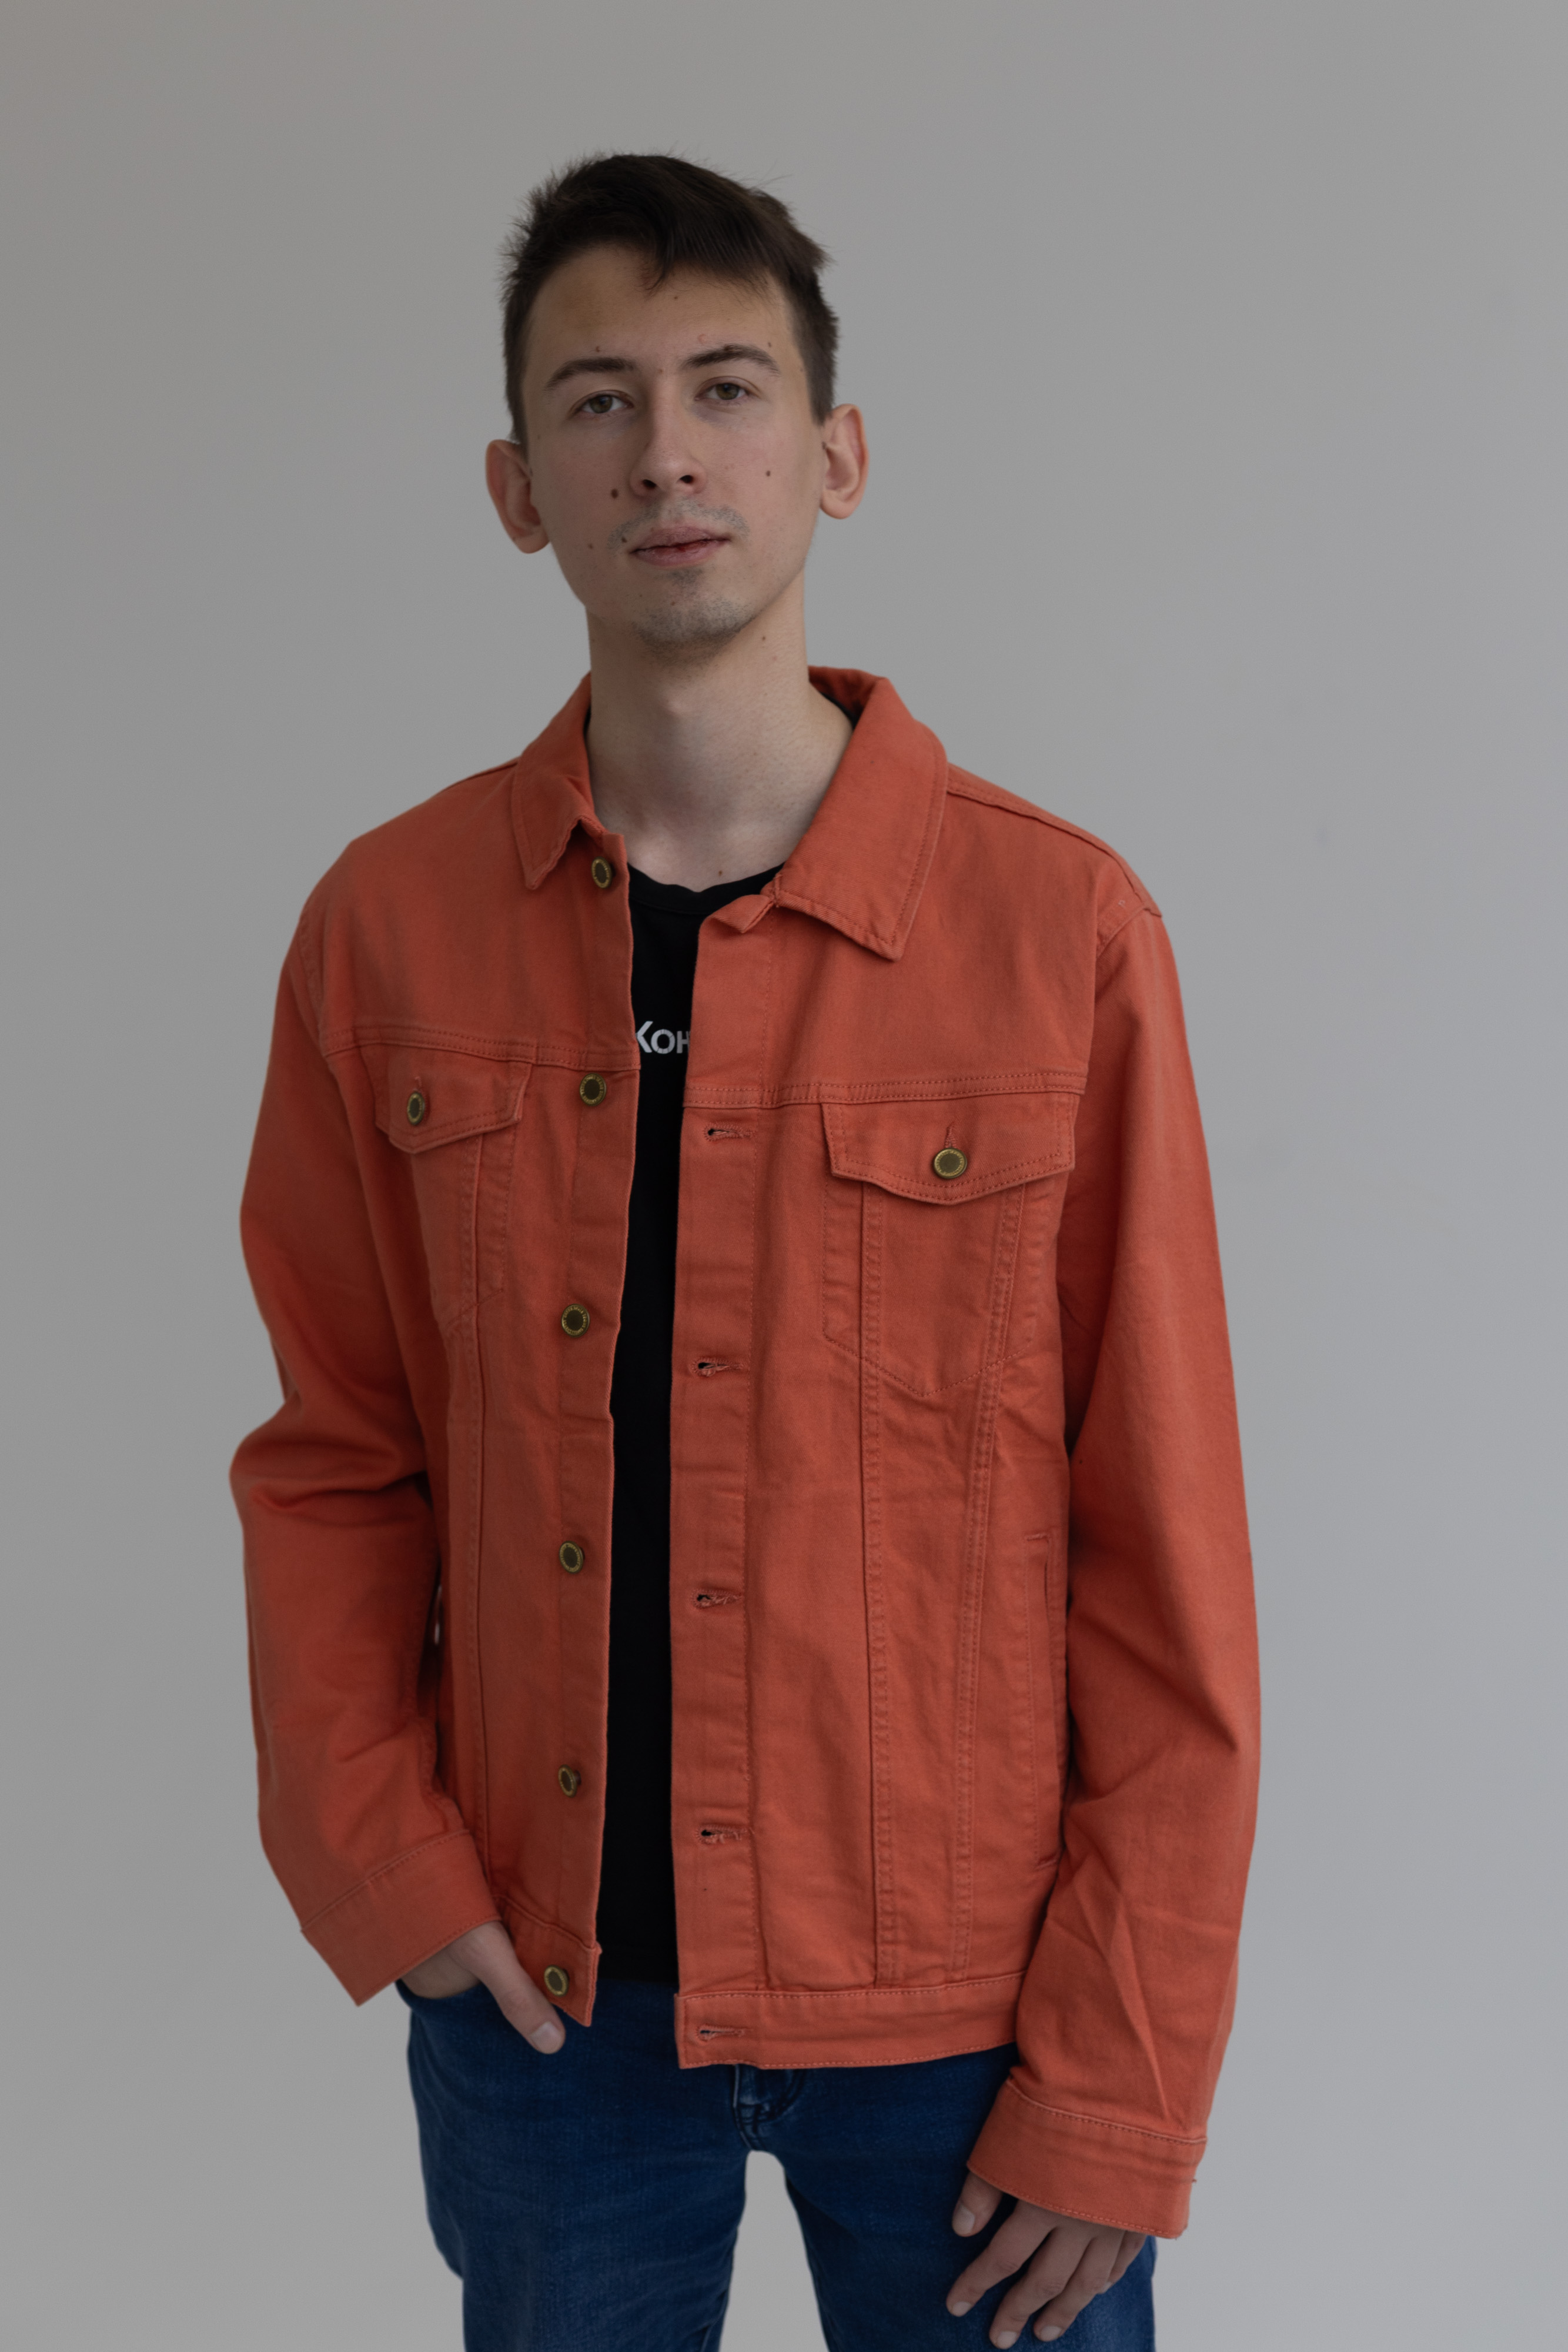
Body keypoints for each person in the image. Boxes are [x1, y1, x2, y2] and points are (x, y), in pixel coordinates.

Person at [231, 153, 1259, 2352]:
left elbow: (1158, 1549)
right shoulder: (387, 934)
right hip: (546, 2010)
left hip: (972, 2019)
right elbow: (335, 1460)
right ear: (518, 489)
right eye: (597, 401)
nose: (666, 453)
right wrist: (382, 1869)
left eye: (726, 388)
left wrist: (1120, 2075)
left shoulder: (1057, 934)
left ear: (836, 455)